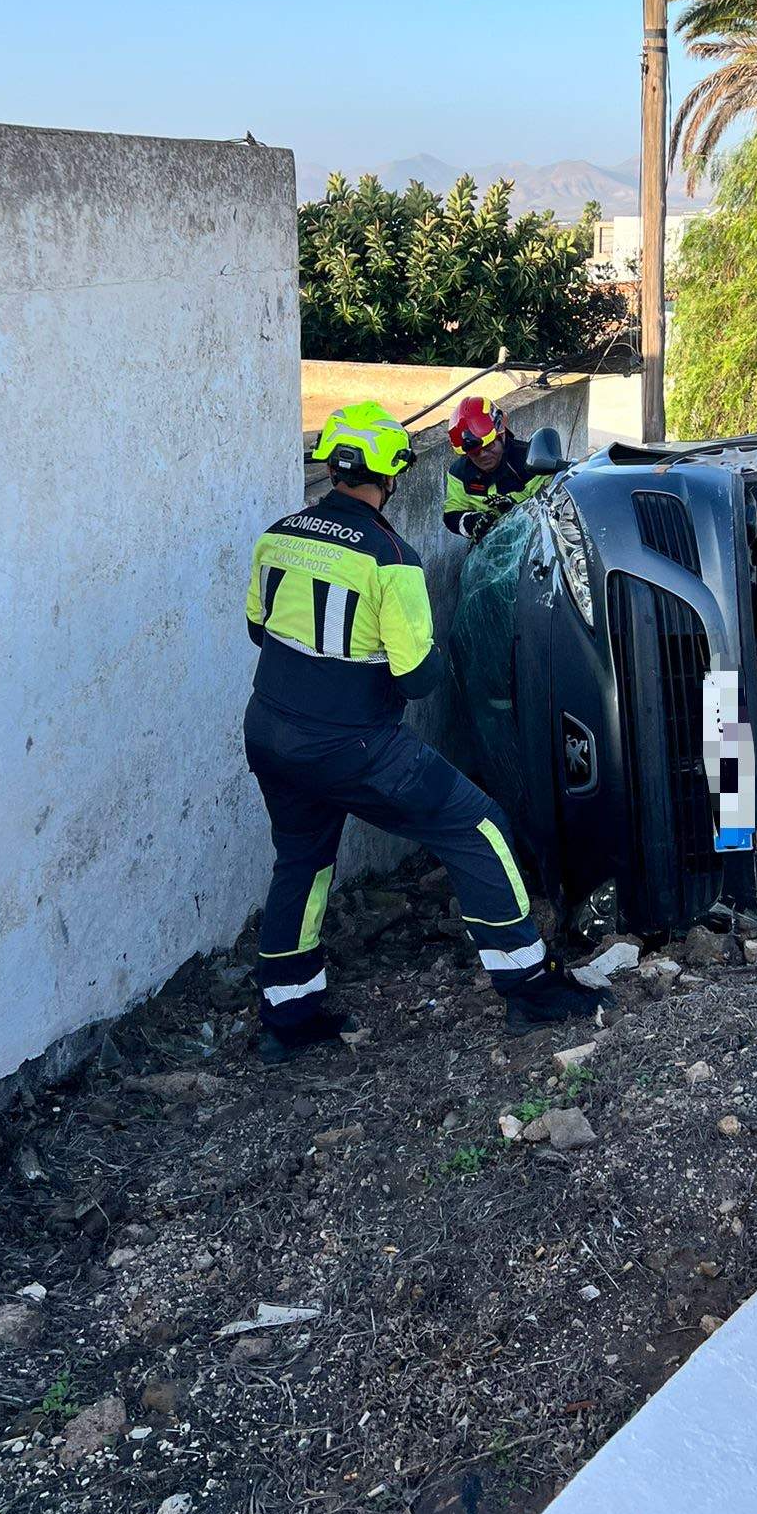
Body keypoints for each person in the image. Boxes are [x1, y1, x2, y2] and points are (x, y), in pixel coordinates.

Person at [243, 399, 597, 1060]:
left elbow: (259, 628)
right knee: (477, 825)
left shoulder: (278, 534)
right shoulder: (389, 557)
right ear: (391, 477)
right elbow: (416, 679)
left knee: (303, 861)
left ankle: (287, 1015)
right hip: (355, 743)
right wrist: (441, 652)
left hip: (270, 732)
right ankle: (530, 986)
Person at [442, 395, 554, 542]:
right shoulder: (459, 474)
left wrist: (514, 511)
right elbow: (451, 514)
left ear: (502, 434)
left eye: (489, 446)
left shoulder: (532, 462)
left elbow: (551, 509)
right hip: (489, 550)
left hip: (535, 543)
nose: (483, 455)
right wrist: (473, 522)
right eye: (474, 453)